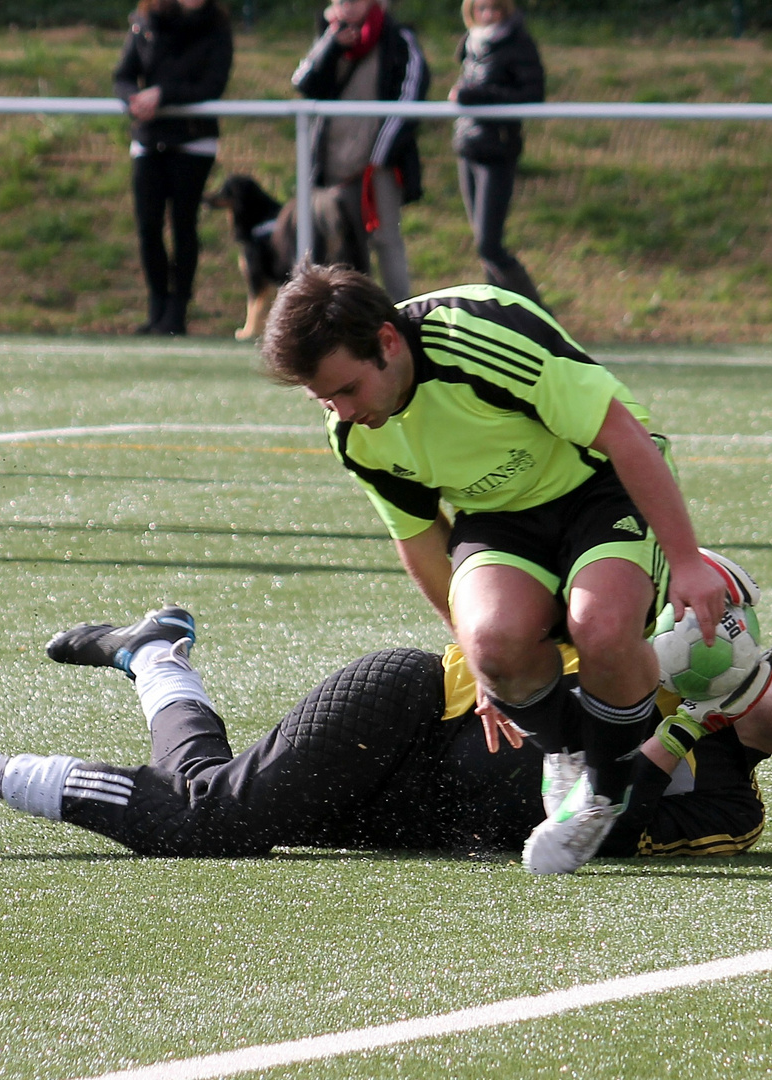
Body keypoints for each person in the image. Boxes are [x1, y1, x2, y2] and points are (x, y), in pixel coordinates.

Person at [259, 265, 733, 874]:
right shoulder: (354, 436)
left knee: (603, 626)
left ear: (386, 341)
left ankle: (605, 793)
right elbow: (420, 536)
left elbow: (622, 433)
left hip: (602, 483)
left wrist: (689, 562)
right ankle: (567, 755)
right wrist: (474, 661)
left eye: (347, 389)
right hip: (500, 514)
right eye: (324, 398)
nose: (342, 411)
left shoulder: (480, 335)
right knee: (491, 644)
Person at [0, 599, 772, 864]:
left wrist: (697, 722)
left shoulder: (734, 808)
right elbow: (527, 615)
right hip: (417, 703)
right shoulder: (659, 646)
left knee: (212, 791)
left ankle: (156, 655)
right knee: (206, 823)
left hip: (412, 817)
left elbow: (607, 828)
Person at [292, 0, 428, 301]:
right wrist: (330, 45)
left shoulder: (399, 40)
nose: (347, 7)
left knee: (386, 240)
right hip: (333, 166)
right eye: (341, 1)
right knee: (335, 246)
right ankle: (340, 320)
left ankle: (401, 315)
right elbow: (303, 82)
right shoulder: (328, 37)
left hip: (378, 166)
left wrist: (379, 156)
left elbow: (411, 98)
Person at [112, 0, 233, 336]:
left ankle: (176, 312)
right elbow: (122, 75)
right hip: (149, 140)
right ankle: (156, 306)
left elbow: (212, 86)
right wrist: (133, 99)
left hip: (193, 141)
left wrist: (163, 96)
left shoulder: (217, 27)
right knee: (148, 227)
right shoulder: (146, 21)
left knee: (183, 224)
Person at [449, 0, 544, 306]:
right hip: (469, 147)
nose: (487, 15)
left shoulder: (518, 43)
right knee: (482, 246)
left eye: (493, 8)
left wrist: (474, 97)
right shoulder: (471, 41)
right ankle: (502, 316)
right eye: (481, 9)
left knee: (489, 245)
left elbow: (531, 95)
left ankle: (539, 317)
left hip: (497, 149)